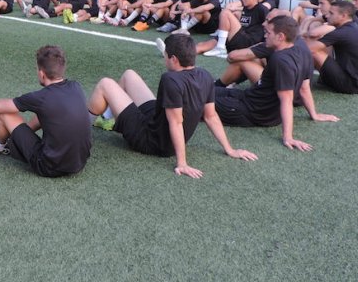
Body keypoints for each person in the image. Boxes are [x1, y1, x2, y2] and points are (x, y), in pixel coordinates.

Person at [90, 35, 257, 178]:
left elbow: (176, 122)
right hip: (156, 122)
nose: (164, 58)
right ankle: (107, 118)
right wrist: (230, 149)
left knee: (105, 84)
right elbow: (211, 116)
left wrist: (182, 163)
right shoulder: (205, 75)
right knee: (129, 75)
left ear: (174, 59)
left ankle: (80, 126)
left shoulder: (170, 79)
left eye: (165, 56)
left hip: (153, 141)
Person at [213, 16, 339, 151]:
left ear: (280, 36)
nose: (265, 35)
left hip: (253, 112)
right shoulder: (302, 47)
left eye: (268, 33)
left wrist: (288, 137)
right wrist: (314, 114)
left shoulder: (281, 60)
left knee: (198, 100)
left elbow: (287, 99)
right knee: (206, 90)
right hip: (249, 98)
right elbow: (304, 87)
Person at [0, 45, 91, 177]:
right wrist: (21, 135)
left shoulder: (41, 97)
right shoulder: (76, 86)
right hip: (79, 162)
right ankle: (14, 140)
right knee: (51, 112)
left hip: (49, 166)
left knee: (5, 114)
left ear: (41, 73)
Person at [307, 0, 358, 94]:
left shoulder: (341, 33)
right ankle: (325, 78)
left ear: (343, 16)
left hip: (352, 85)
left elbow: (307, 49)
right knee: (320, 44)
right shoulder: (352, 27)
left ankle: (298, 81)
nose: (327, 16)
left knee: (313, 51)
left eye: (331, 13)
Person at [197, 0, 269, 58]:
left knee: (225, 13)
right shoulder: (245, 8)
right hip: (238, 38)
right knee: (201, 45)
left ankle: (221, 48)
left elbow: (269, 25)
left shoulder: (261, 9)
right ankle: (187, 55)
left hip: (248, 41)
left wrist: (263, 44)